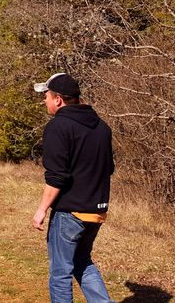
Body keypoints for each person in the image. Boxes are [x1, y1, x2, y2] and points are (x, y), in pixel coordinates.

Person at [31, 73, 115, 303]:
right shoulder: (102, 127)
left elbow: (57, 177)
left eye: (46, 96)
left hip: (70, 213)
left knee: (60, 274)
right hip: (96, 212)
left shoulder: (58, 126)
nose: (44, 101)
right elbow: (108, 168)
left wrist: (41, 210)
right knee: (81, 262)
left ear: (58, 99)